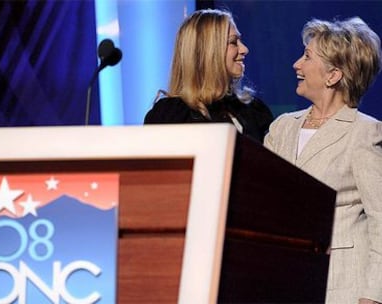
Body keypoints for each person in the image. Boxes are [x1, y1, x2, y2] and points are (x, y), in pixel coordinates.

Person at [264, 17, 382, 304]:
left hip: (342, 286)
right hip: (284, 281)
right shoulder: (282, 127)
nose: (296, 65)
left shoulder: (364, 133)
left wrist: (372, 295)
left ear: (333, 76)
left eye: (307, 57)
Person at [144, 8, 273, 143]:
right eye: (233, 42)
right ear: (207, 51)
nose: (244, 49)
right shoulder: (171, 115)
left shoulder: (254, 110)